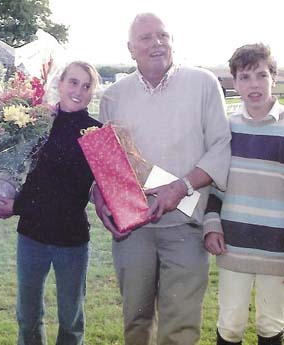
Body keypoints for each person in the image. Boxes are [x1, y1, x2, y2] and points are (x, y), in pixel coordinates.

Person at [93, 13, 232, 345]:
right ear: (130, 49)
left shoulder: (203, 84)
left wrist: (180, 187)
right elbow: (105, 163)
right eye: (146, 38)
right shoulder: (114, 96)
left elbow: (220, 146)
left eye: (163, 36)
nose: (156, 43)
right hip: (133, 231)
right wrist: (99, 196)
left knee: (180, 327)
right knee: (136, 322)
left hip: (185, 225)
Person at [0, 61, 102, 345]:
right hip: (32, 236)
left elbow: (70, 191)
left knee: (71, 320)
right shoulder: (36, 123)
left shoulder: (96, 133)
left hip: (71, 240)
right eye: (73, 82)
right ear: (60, 84)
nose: (78, 90)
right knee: (27, 316)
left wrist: (18, 206)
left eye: (87, 86)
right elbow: (28, 176)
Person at [204, 43, 284, 345]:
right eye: (246, 77)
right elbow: (213, 184)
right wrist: (211, 225)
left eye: (261, 75)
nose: (254, 85)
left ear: (273, 78)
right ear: (235, 83)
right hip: (233, 245)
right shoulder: (226, 130)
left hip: (277, 249)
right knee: (230, 324)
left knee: (271, 324)